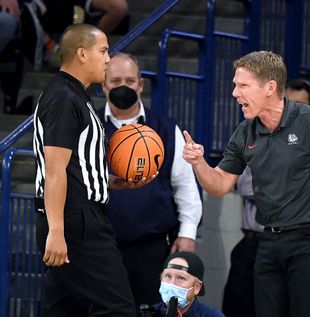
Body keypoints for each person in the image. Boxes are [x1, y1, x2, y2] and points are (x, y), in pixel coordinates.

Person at [183, 50, 310, 317]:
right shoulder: (245, 131)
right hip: (269, 240)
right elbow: (219, 185)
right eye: (235, 85)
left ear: (270, 88)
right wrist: (199, 163)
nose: (235, 93)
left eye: (242, 86)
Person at [32, 23, 151, 316]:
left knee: (62, 309)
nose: (108, 59)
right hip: (75, 220)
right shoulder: (63, 97)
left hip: (75, 215)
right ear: (82, 54)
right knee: (119, 309)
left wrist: (110, 182)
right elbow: (55, 169)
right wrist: (57, 230)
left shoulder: (76, 94)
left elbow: (74, 168)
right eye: (103, 50)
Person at [98, 52, 202, 309]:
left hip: (153, 248)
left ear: (141, 85)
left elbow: (186, 187)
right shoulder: (90, 128)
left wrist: (187, 235)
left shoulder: (165, 128)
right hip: (101, 247)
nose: (124, 86)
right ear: (103, 85)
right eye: (116, 80)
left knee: (154, 312)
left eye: (130, 80)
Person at [221, 78, 310, 317]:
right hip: (252, 242)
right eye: (288, 103)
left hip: (292, 243)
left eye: (299, 105)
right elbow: (244, 186)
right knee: (237, 308)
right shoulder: (256, 132)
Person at [153, 251, 225, 317]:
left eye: (181, 278)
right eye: (168, 276)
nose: (172, 283)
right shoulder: (150, 313)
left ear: (197, 287)